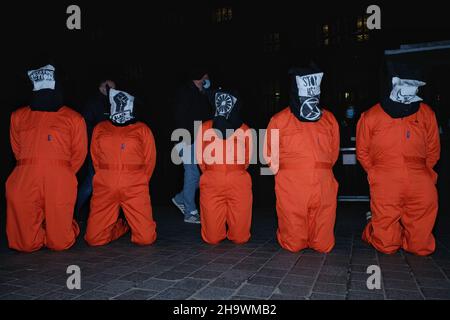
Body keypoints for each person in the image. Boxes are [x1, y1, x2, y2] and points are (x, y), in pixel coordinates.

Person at [357, 62, 440, 256]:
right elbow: (362, 151)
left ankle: (407, 236)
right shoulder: (371, 115)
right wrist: (375, 173)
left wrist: (424, 173)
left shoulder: (426, 113)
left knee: (421, 247)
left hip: (419, 174)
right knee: (386, 245)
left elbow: (433, 149)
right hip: (385, 175)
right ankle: (373, 229)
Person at [6, 64, 87, 252]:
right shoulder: (18, 116)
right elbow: (16, 148)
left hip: (59, 176)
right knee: (24, 244)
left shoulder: (73, 118)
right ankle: (41, 230)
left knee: (60, 243)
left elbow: (79, 152)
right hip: (25, 174)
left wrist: (62, 173)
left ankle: (66, 227)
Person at [265, 66, 340, 253]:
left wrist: (320, 170)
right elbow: (269, 153)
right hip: (292, 183)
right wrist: (285, 176)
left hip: (323, 182)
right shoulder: (279, 119)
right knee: (294, 244)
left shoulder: (329, 119)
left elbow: (333, 152)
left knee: (324, 245)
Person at [85, 88, 157, 246]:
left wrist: (140, 181)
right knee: (93, 239)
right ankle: (120, 227)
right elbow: (95, 157)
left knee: (146, 239)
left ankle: (134, 225)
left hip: (135, 187)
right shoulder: (100, 128)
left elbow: (150, 160)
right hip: (105, 186)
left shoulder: (142, 129)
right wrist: (105, 176)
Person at [196, 89, 253, 244]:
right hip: (212, 181)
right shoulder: (205, 127)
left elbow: (248, 158)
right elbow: (200, 156)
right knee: (212, 238)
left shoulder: (245, 129)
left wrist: (234, 173)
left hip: (238, 181)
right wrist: (213, 174)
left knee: (240, 238)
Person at [171, 68, 214, 224]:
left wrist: (207, 92)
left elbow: (210, 111)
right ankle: (190, 212)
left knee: (202, 174)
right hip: (185, 137)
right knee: (193, 172)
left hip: (199, 138)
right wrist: (184, 139)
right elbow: (180, 116)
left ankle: (181, 198)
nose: (208, 78)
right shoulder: (185, 92)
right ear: (200, 76)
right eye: (206, 76)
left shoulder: (202, 93)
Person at [75, 79, 116, 224]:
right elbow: (86, 125)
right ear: (102, 86)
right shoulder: (94, 102)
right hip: (96, 149)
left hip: (106, 149)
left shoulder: (108, 102)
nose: (113, 90)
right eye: (110, 86)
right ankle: (75, 211)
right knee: (92, 181)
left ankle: (97, 214)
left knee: (97, 182)